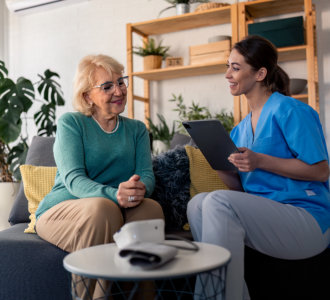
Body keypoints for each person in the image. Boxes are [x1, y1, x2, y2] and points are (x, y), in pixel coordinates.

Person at [187, 35, 330, 300]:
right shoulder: (240, 129)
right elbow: (240, 188)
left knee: (217, 202)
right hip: (266, 218)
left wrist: (260, 160)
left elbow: (321, 171)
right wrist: (218, 164)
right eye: (227, 66)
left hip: (306, 217)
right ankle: (223, 295)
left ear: (261, 73)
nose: (228, 74)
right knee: (198, 203)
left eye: (236, 67)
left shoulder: (291, 110)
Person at [35, 54, 164, 299]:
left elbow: (146, 175)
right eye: (107, 86)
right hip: (64, 209)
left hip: (114, 205)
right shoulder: (71, 123)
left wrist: (139, 190)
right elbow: (74, 180)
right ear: (87, 97)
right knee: (102, 209)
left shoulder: (136, 129)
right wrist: (115, 194)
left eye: (121, 82)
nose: (118, 90)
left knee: (150, 209)